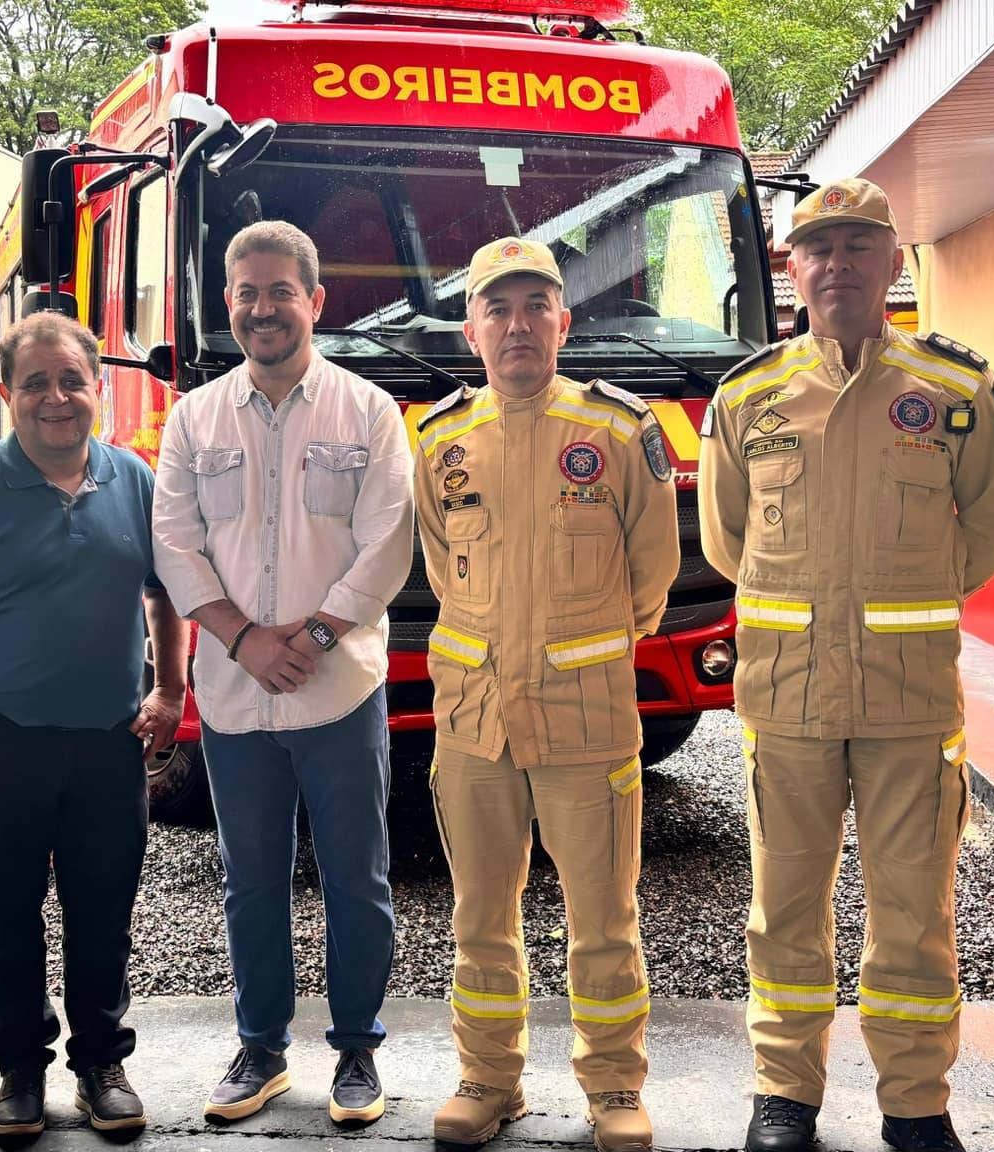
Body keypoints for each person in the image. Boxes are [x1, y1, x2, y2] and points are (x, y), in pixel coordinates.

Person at [695, 179, 994, 1152]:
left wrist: (893, 605)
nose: (837, 264)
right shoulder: (745, 395)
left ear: (892, 264)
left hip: (908, 700)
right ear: (791, 268)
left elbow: (989, 537)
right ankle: (782, 1095)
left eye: (858, 246)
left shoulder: (954, 391)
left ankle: (913, 1103)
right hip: (786, 698)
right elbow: (725, 541)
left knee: (914, 913)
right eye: (817, 247)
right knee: (783, 909)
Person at [413, 236, 678, 1152]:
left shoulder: (617, 430)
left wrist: (578, 650)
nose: (517, 324)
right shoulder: (441, 439)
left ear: (564, 321)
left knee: (603, 917)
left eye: (536, 306)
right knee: (480, 915)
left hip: (583, 716)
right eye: (498, 308)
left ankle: (612, 1087)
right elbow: (445, 570)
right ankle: (489, 1078)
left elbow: (652, 574)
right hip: (475, 720)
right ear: (472, 328)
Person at [0, 312, 187, 1138]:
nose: (55, 398)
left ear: (95, 389)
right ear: (7, 394)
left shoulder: (133, 479)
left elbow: (168, 592)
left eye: (70, 380)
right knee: (6, 910)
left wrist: (170, 689)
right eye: (35, 383)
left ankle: (101, 1061)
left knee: (104, 907)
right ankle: (19, 1069)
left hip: (108, 742)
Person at [151, 220, 413, 1127]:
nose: (264, 308)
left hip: (339, 688)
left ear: (315, 301)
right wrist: (243, 641)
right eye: (247, 293)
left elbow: (389, 543)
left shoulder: (369, 412)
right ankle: (260, 1047)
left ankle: (356, 1053)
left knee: (356, 877)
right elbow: (176, 545)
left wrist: (314, 634)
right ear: (229, 302)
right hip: (234, 696)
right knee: (250, 876)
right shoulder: (194, 418)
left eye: (281, 291)